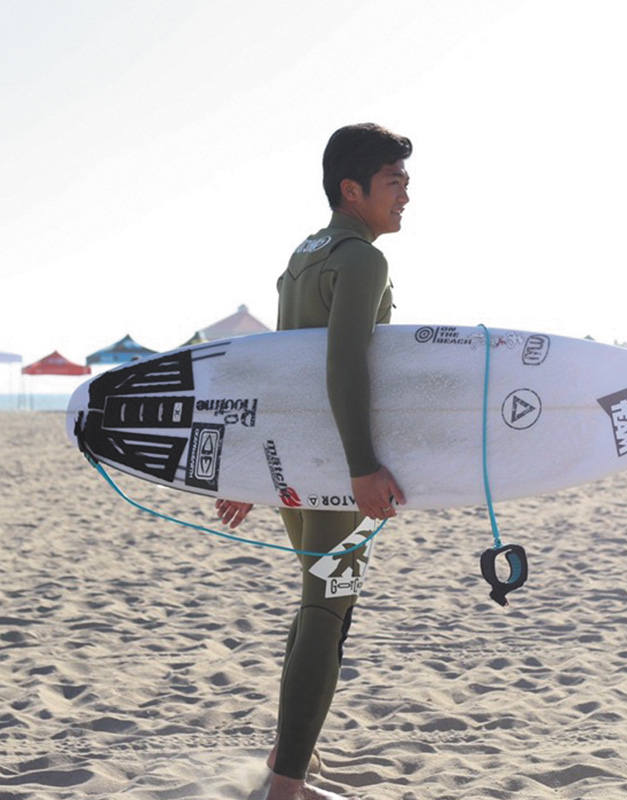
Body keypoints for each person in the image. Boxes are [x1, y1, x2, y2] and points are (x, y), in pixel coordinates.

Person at [214, 123, 412, 800]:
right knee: (328, 613)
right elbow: (341, 362)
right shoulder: (361, 260)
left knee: (316, 606)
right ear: (352, 190)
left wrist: (250, 466)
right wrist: (361, 466)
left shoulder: (303, 257)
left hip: (292, 462)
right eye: (393, 182)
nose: (405, 195)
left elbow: (279, 367)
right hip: (332, 463)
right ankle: (286, 785)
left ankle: (286, 752)